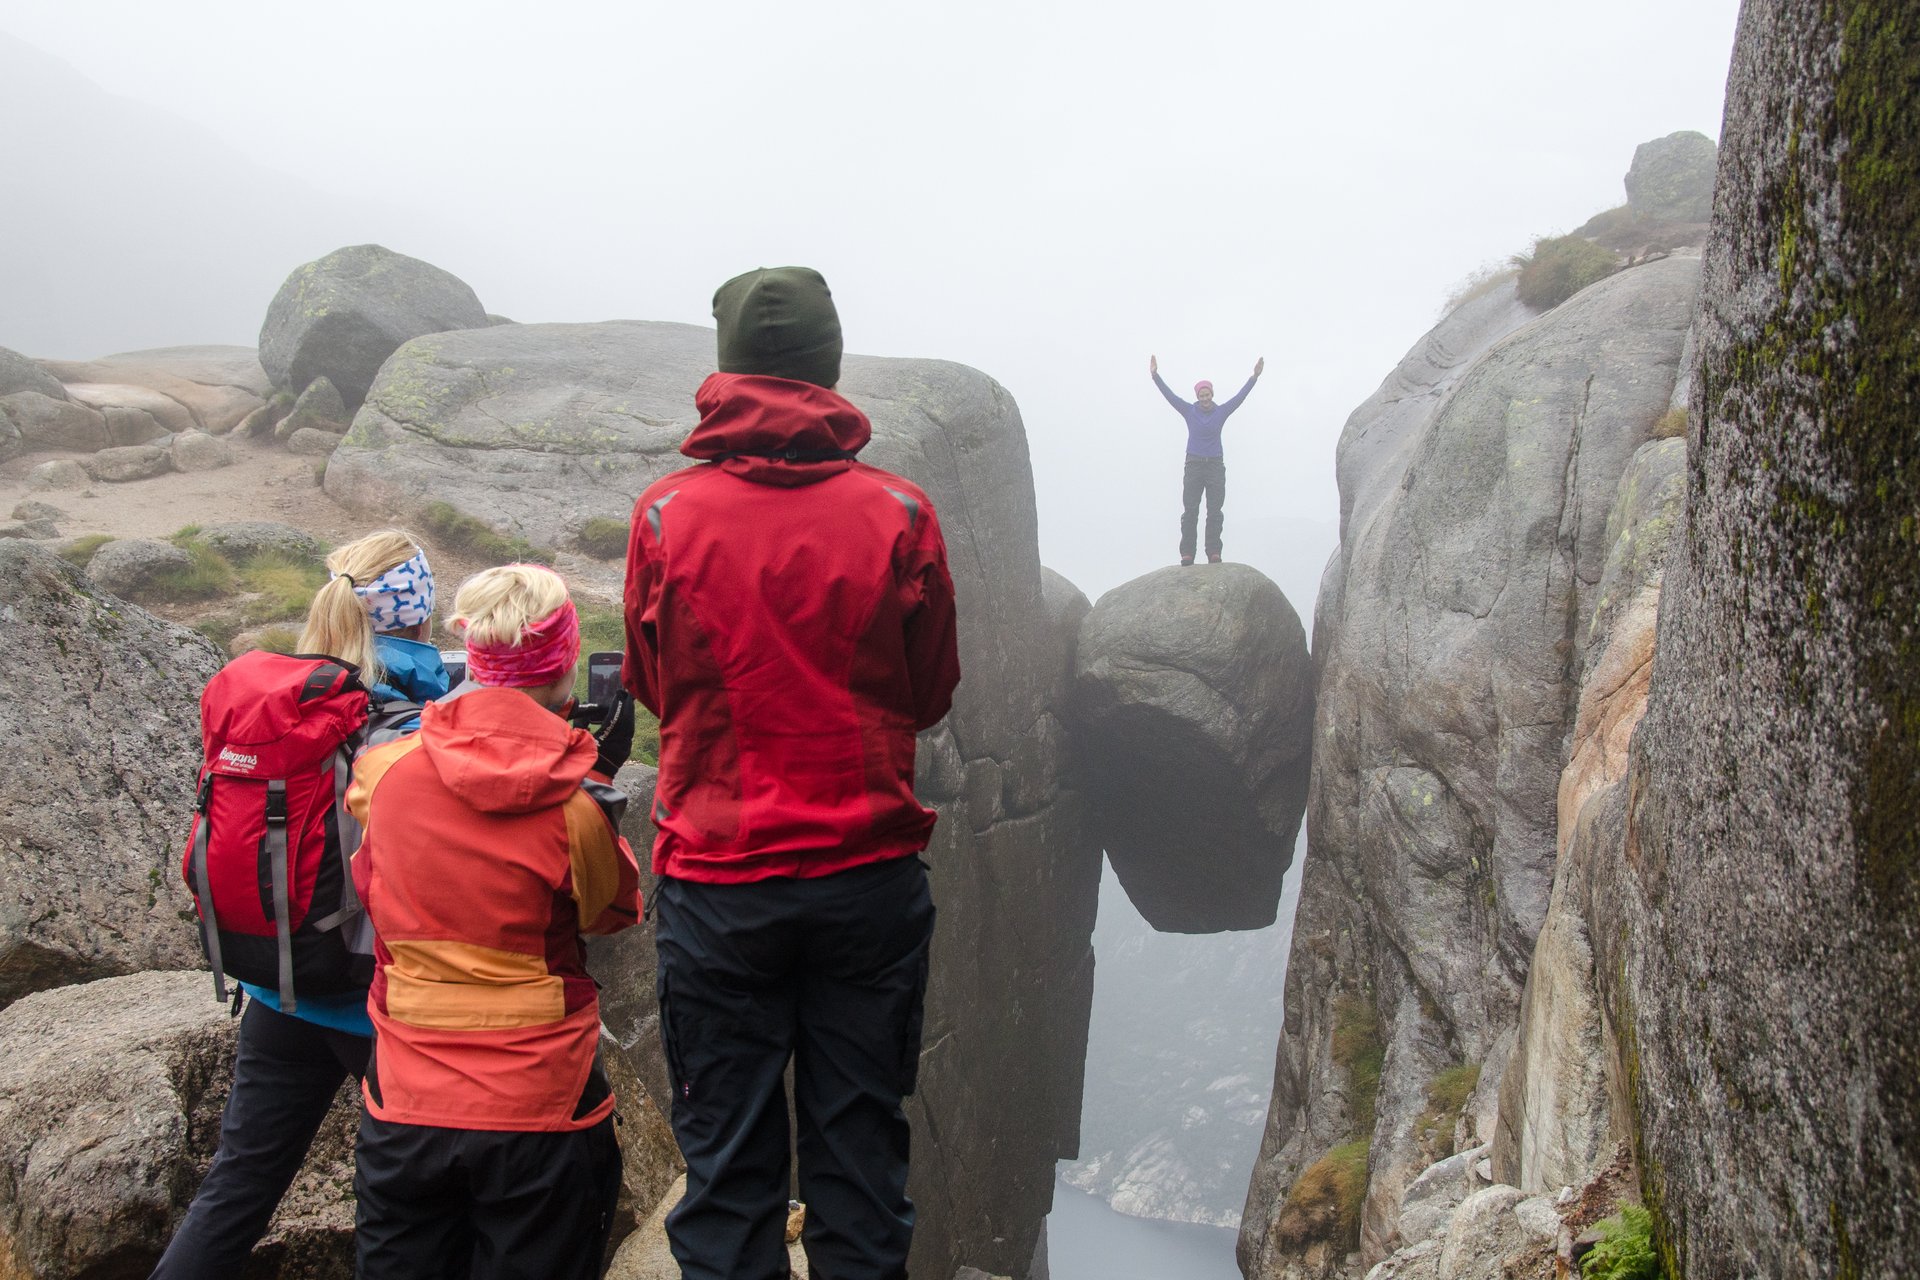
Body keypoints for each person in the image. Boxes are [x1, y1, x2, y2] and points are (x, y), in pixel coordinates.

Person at [623, 266, 961, 1280]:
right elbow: (930, 691)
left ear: (728, 366)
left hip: (719, 885)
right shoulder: (899, 512)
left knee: (728, 1171)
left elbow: (651, 684)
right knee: (860, 1160)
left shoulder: (664, 518)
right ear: (829, 365)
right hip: (866, 879)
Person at [152, 530, 451, 1279]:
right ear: (420, 610)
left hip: (278, 983)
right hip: (375, 1007)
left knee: (237, 1187)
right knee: (407, 1211)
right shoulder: (416, 723)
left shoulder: (288, 701)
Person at [346, 562, 642, 1280]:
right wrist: (598, 777)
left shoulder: (382, 775)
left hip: (407, 1096)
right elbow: (614, 910)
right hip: (540, 1106)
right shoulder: (575, 809)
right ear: (566, 664)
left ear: (473, 657)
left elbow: (369, 882)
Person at [1150, 353, 1265, 564]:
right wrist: (1155, 376)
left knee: (1214, 512)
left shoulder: (1221, 412)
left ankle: (1213, 551)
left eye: (1207, 395)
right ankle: (1187, 553)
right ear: (1197, 396)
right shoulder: (1189, 411)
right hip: (1193, 464)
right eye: (1201, 395)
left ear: (1212, 394)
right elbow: (1170, 396)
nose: (1204, 398)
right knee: (1190, 511)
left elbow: (1239, 398)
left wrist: (1254, 377)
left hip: (1215, 465)